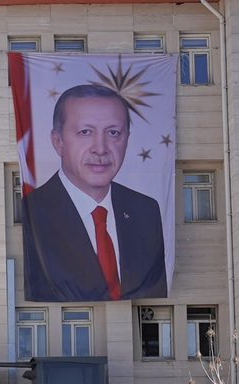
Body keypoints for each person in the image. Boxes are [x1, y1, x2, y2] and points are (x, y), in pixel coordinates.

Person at [21, 83, 168, 302]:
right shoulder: (33, 212)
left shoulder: (146, 210)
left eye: (113, 132)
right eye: (85, 132)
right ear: (58, 142)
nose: (100, 148)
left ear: (127, 139)